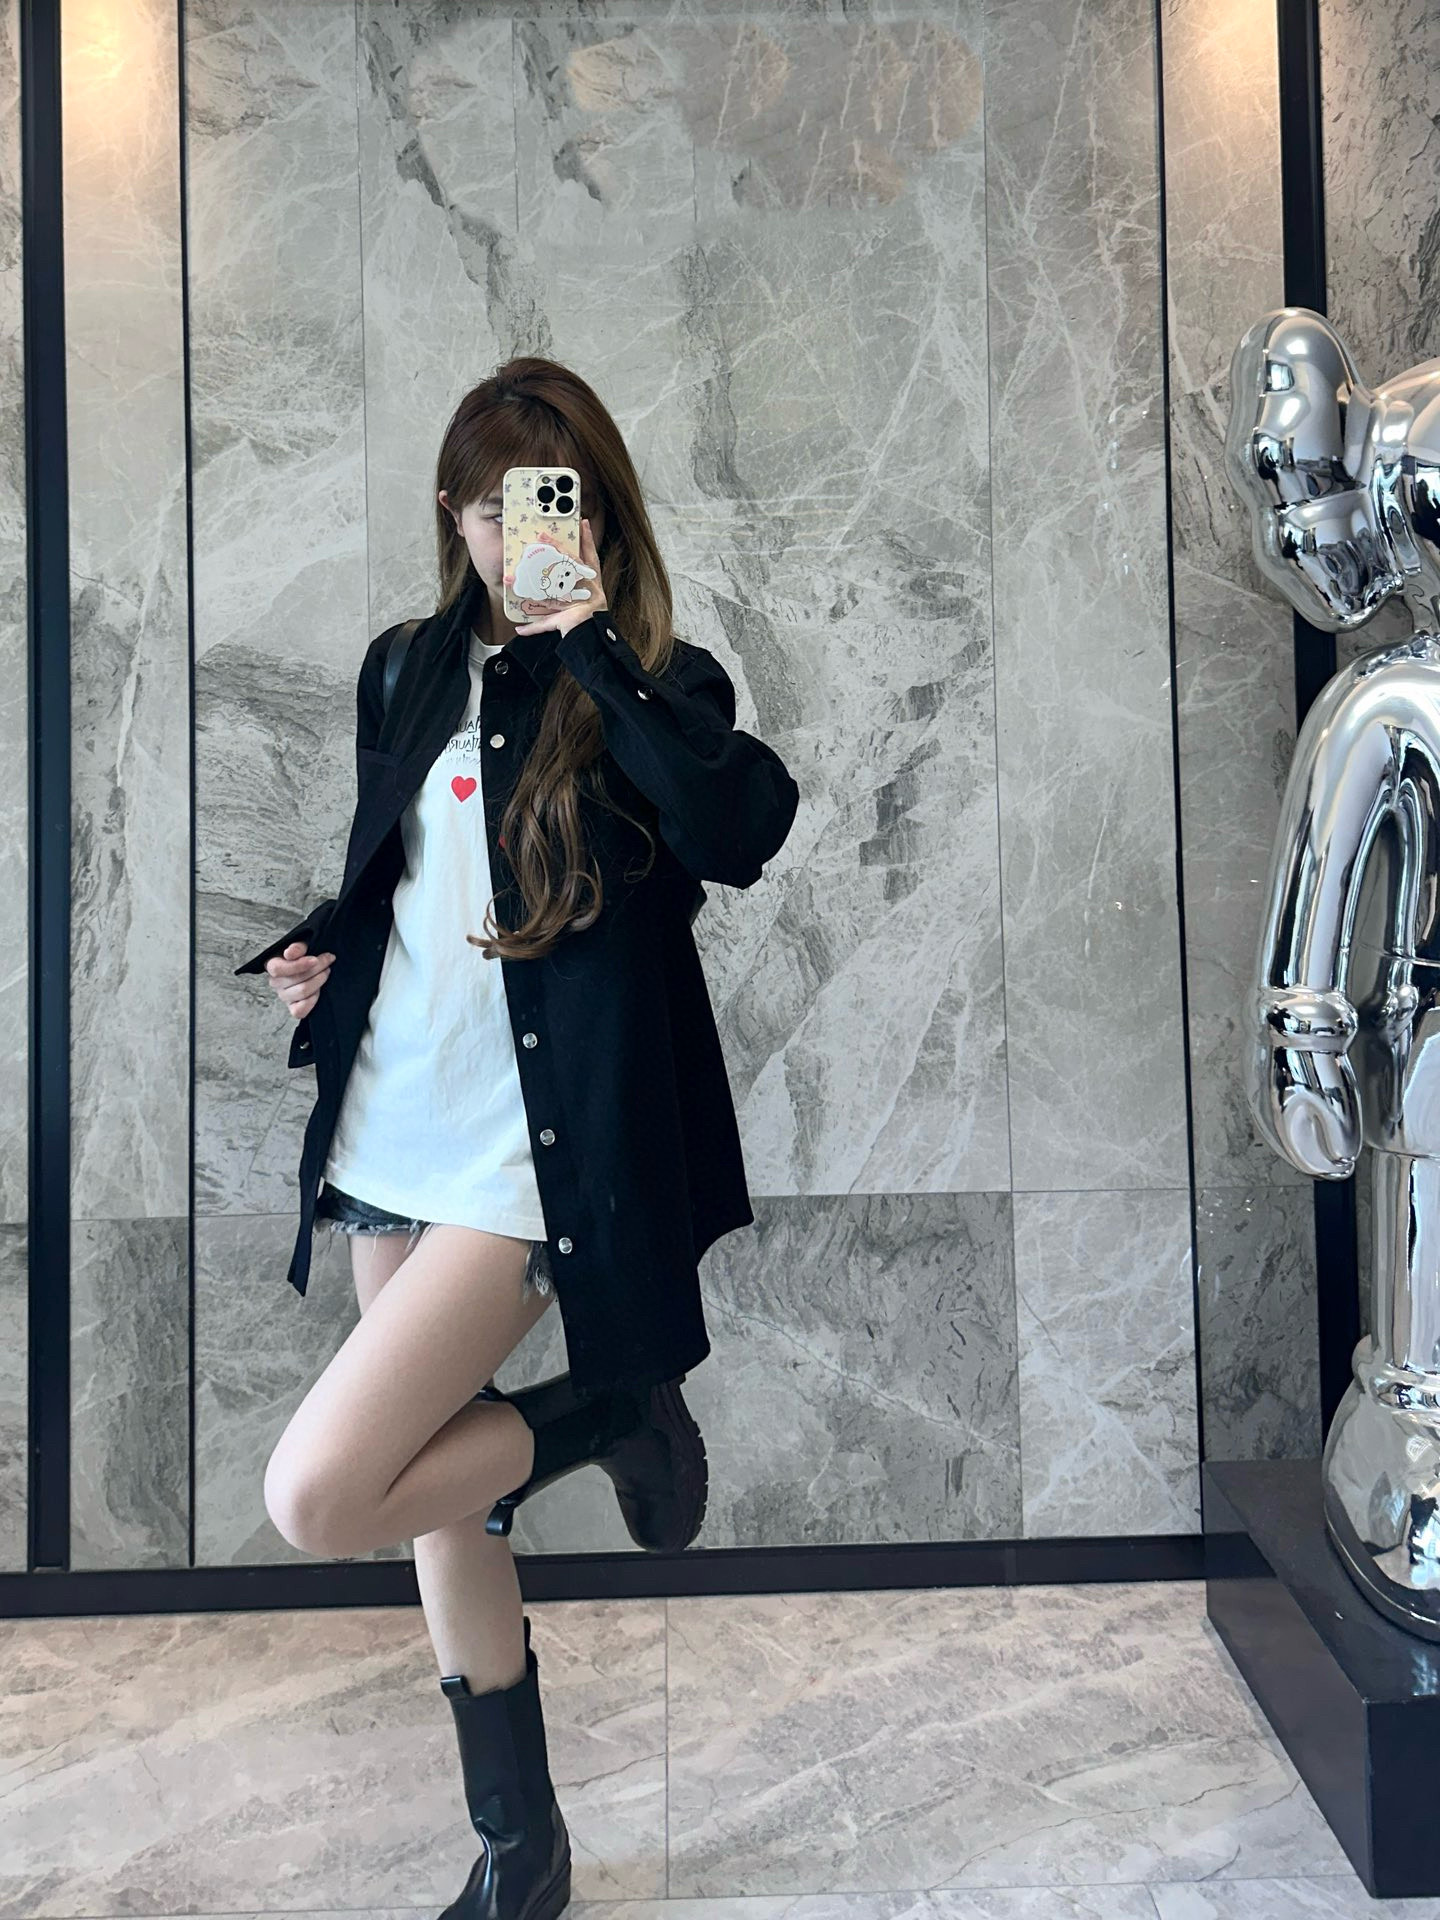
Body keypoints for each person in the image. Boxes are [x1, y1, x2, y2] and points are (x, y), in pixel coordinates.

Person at [234, 357, 800, 1920]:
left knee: (322, 1496)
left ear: (601, 516)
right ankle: (519, 1846)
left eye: (558, 503)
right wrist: (325, 953)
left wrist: (594, 655)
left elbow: (740, 829)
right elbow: (405, 879)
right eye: (496, 507)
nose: (524, 533)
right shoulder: (402, 669)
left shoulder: (656, 683)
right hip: (390, 1130)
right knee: (435, 1494)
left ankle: (610, 1413)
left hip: (525, 1158)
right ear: (453, 513)